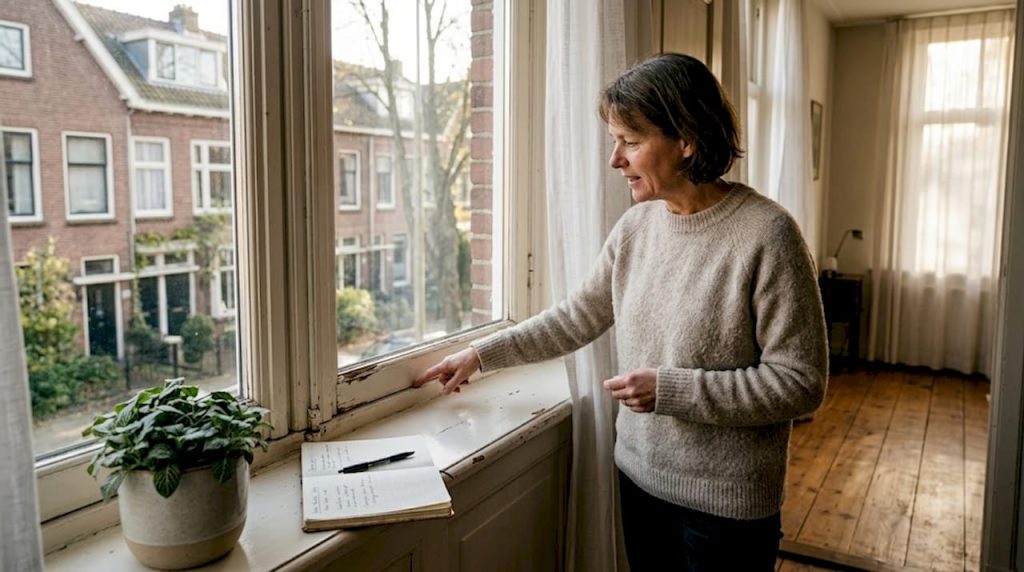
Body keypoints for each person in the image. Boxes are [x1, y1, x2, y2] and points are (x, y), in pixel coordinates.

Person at [414, 53, 827, 571]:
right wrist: (480, 353)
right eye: (615, 141)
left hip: (727, 508)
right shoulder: (635, 229)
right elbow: (575, 317)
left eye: (630, 142)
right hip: (638, 479)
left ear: (687, 140)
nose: (616, 160)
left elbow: (800, 382)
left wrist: (671, 390)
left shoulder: (768, 235)